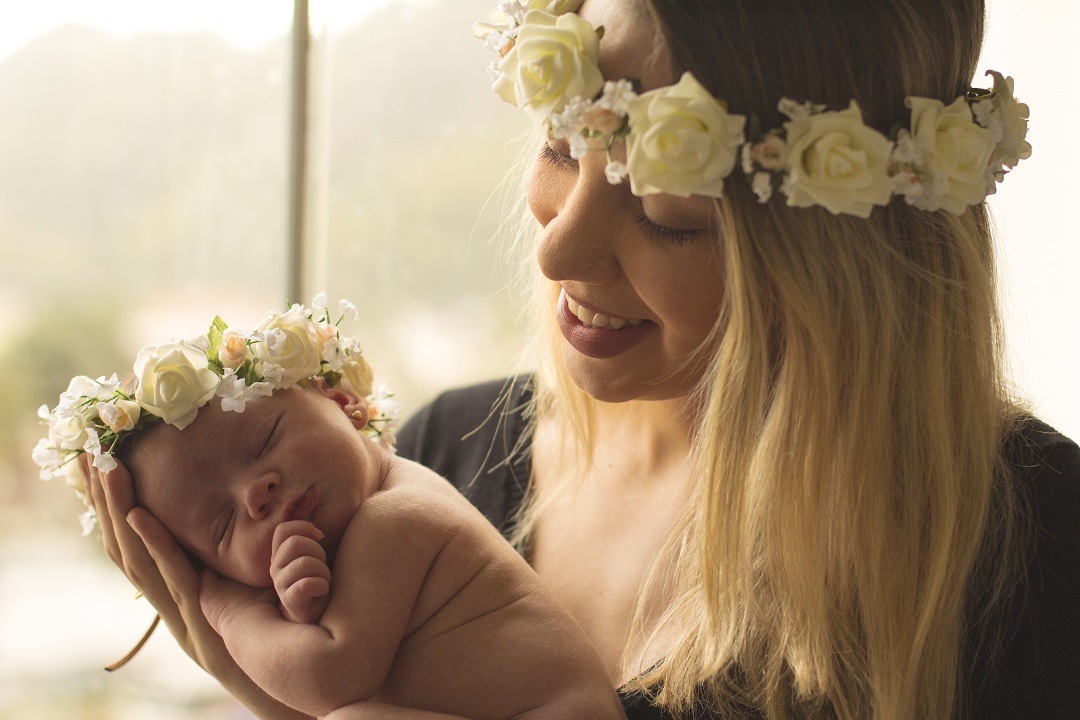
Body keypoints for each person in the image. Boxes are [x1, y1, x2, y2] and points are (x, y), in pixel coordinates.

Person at [78, 0, 1080, 718]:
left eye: (668, 217)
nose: (558, 247)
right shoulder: (439, 457)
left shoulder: (1035, 549)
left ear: (846, 255)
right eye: (562, 142)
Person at [36, 299, 624, 720]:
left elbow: (328, 678)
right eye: (222, 525)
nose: (255, 493)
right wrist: (297, 599)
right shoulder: (350, 529)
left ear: (342, 402)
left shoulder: (395, 517)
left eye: (265, 442)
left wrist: (228, 610)